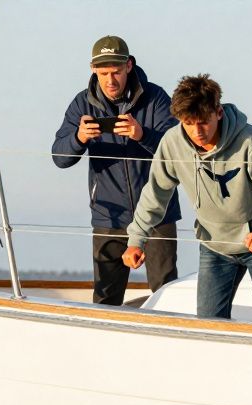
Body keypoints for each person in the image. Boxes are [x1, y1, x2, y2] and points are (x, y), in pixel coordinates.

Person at [123, 75, 252, 322]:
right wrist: (136, 240)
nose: (197, 132)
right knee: (208, 322)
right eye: (188, 123)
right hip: (214, 245)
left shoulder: (251, 141)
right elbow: (155, 193)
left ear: (218, 113)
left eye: (203, 122)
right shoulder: (172, 143)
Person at [52, 35, 181, 306]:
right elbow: (59, 158)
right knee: (105, 300)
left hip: (157, 214)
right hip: (108, 217)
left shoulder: (156, 97)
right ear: (93, 69)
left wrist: (142, 134)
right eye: (103, 73)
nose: (110, 80)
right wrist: (79, 138)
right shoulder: (81, 104)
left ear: (129, 66)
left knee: (166, 296)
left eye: (116, 72)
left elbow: (178, 151)